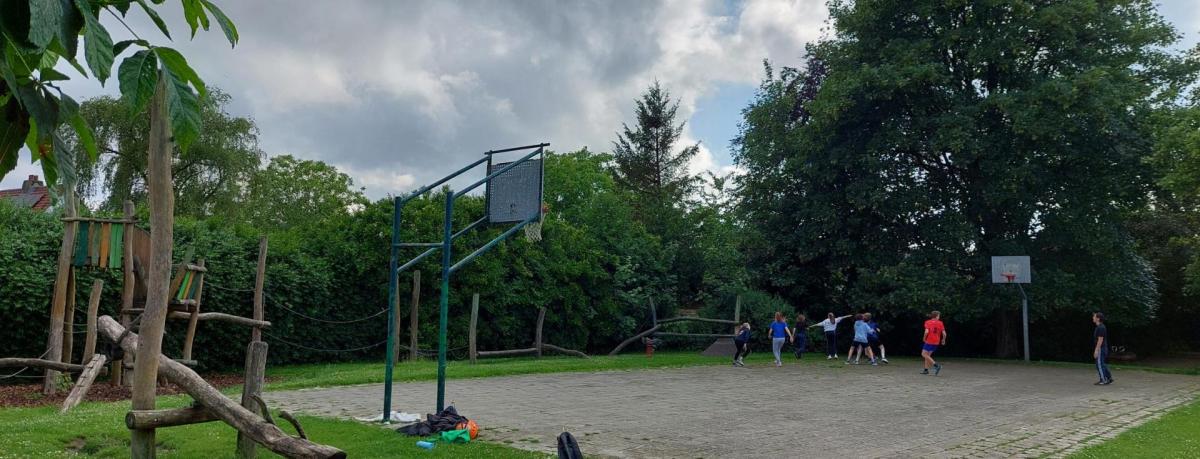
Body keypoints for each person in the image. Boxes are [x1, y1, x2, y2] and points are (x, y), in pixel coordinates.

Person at [921, 310, 946, 375]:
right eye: (939, 316)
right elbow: (944, 333)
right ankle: (926, 370)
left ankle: (936, 366)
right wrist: (943, 340)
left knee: (924, 354)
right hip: (936, 342)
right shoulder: (940, 323)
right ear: (936, 316)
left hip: (929, 341)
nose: (939, 317)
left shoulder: (927, 322)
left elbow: (926, 332)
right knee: (928, 355)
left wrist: (924, 338)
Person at [1093, 312, 1113, 385]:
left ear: (1098, 318)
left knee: (1099, 364)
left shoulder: (1101, 327)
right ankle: (1109, 378)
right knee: (1102, 364)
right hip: (1103, 348)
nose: (1093, 318)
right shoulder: (1100, 327)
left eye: (1094, 317)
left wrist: (1096, 350)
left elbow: (1100, 340)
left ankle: (1103, 380)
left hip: (1101, 348)